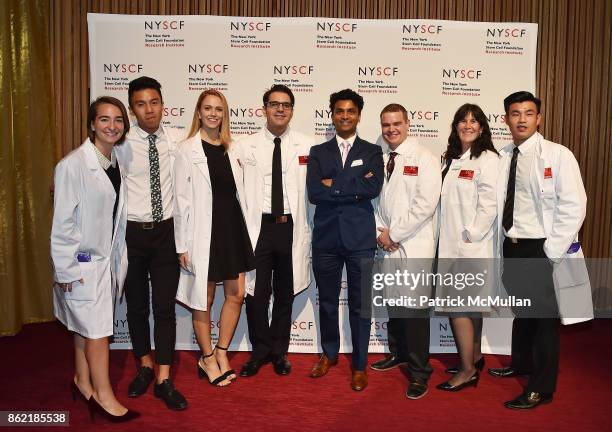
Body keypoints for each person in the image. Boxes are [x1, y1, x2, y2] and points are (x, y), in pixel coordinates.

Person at [488, 91, 592, 409]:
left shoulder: (558, 155)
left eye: (528, 113)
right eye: (515, 114)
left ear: (539, 118)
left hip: (541, 249)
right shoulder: (503, 156)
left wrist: (551, 252)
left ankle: (541, 388)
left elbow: (575, 205)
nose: (521, 119)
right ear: (505, 119)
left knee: (544, 320)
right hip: (512, 246)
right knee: (523, 311)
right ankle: (521, 364)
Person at [51, 96, 139, 422]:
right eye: (104, 119)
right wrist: (69, 269)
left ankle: (82, 381)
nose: (112, 126)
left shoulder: (115, 161)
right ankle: (103, 397)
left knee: (82, 327)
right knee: (98, 331)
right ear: (92, 124)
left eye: (118, 120)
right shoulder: (72, 166)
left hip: (103, 262)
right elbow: (62, 225)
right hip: (84, 261)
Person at [115, 76, 187, 410]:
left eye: (154, 102)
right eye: (141, 104)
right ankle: (144, 365)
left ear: (162, 103)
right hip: (131, 234)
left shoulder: (177, 138)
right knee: (136, 307)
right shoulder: (120, 142)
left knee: (164, 308)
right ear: (132, 109)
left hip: (166, 233)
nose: (149, 110)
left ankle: (164, 377)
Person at [174, 89, 255, 386]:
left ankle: (222, 351)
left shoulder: (232, 148)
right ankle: (207, 357)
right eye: (207, 108)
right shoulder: (185, 150)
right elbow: (180, 200)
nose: (213, 114)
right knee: (203, 298)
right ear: (198, 112)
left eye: (218, 109)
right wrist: (181, 244)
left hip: (231, 227)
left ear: (224, 114)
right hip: (201, 233)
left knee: (236, 293)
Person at [307, 89, 384, 391]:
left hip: (360, 240)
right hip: (326, 239)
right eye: (339, 111)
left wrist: (333, 184)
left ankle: (360, 364)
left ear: (359, 115)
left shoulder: (371, 151)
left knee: (360, 304)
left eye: (351, 111)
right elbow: (315, 191)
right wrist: (353, 185)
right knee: (326, 301)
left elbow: (373, 186)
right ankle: (329, 354)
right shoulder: (318, 152)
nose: (345, 116)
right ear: (332, 114)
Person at [238, 84, 315, 377]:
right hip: (259, 229)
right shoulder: (245, 146)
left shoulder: (307, 146)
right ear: (264, 109)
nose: (280, 109)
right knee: (256, 293)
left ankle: (279, 352)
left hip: (291, 228)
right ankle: (259, 351)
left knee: (285, 293)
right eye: (274, 104)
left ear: (292, 111)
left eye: (285, 105)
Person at [371, 103, 441, 399]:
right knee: (395, 306)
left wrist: (394, 234)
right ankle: (398, 353)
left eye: (396, 123)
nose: (391, 129)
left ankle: (419, 372)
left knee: (414, 311)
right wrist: (380, 233)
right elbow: (374, 202)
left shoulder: (424, 158)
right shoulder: (382, 158)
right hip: (388, 244)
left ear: (408, 123)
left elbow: (425, 205)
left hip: (413, 245)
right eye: (386, 125)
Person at [434, 104, 499, 392]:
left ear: (483, 127)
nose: (468, 125)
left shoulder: (487, 159)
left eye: (474, 121)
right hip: (450, 245)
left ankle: (467, 370)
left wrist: (470, 236)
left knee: (458, 306)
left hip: (470, 248)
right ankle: (474, 356)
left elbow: (489, 205)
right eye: (463, 120)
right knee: (469, 307)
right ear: (456, 126)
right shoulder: (452, 158)